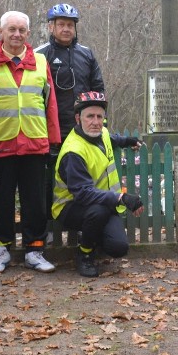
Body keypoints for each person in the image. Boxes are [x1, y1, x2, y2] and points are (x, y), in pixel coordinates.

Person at [0, 11, 60, 274]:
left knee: (35, 202)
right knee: (1, 202)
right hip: (0, 145)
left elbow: (49, 104)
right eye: (11, 30)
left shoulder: (41, 63)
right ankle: (2, 248)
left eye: (21, 30)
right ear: (1, 32)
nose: (16, 34)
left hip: (34, 145)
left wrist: (53, 139)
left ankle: (34, 249)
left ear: (28, 34)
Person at [53, 92, 144, 277]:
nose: (95, 121)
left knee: (118, 248)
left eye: (99, 116)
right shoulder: (74, 151)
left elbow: (110, 138)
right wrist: (121, 197)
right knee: (99, 212)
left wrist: (128, 141)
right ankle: (84, 254)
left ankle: (91, 235)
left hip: (100, 203)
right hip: (69, 206)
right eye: (90, 116)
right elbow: (84, 194)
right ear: (78, 118)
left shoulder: (100, 132)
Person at [35, 3, 105, 221]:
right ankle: (47, 225)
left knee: (82, 177)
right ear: (51, 27)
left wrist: (100, 123)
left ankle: (82, 222)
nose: (66, 29)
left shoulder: (87, 54)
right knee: (48, 179)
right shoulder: (39, 55)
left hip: (80, 130)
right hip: (50, 129)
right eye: (61, 25)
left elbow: (98, 90)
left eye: (70, 25)